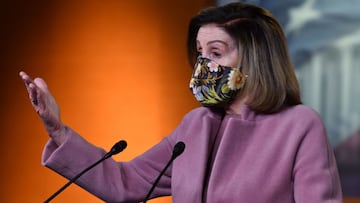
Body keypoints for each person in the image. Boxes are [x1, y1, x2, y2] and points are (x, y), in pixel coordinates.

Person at [19, 2, 342, 202]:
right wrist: (57, 130)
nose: (202, 64)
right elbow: (126, 184)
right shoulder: (195, 125)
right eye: (199, 53)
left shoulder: (299, 124)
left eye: (215, 52)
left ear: (255, 58)